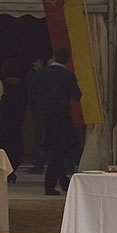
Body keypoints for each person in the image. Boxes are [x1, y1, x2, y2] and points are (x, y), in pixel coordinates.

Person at [27, 47, 81, 195]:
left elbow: (32, 93)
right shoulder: (68, 75)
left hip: (45, 116)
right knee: (59, 150)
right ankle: (50, 185)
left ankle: (63, 182)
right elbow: (77, 95)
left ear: (54, 57)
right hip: (61, 116)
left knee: (55, 149)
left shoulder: (42, 74)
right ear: (67, 60)